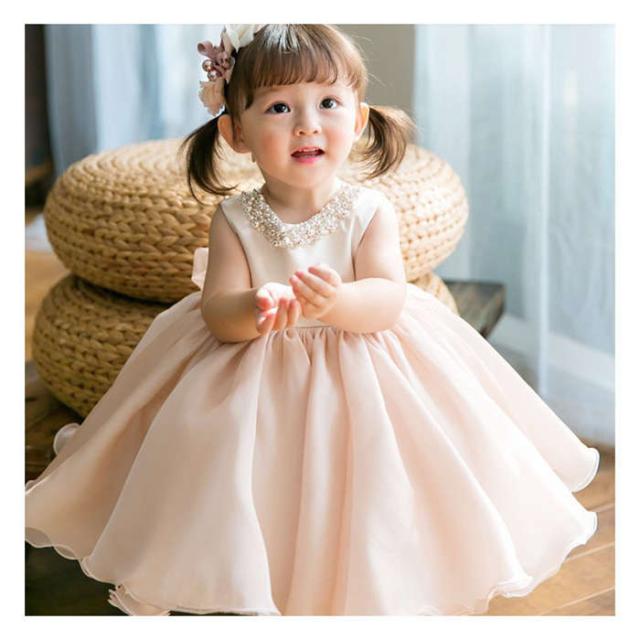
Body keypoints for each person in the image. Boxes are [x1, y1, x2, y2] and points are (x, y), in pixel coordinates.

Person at [25, 24, 600, 617]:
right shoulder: (235, 218)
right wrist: (255, 306)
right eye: (279, 107)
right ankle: (253, 575)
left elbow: (388, 298)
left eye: (328, 103)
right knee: (254, 480)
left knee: (367, 485)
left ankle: (375, 581)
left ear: (358, 120)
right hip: (257, 378)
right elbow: (218, 311)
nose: (307, 124)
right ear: (237, 132)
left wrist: (336, 303)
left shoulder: (369, 211)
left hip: (363, 373)